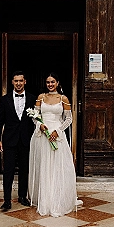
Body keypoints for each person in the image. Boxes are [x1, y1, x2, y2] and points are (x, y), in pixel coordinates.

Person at [28, 72, 77, 217]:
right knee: (44, 166)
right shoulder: (41, 97)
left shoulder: (63, 98)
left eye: (53, 82)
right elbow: (35, 116)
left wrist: (58, 131)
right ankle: (44, 198)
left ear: (57, 83)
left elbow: (69, 119)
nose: (50, 84)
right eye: (48, 82)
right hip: (42, 135)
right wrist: (40, 125)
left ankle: (57, 198)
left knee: (56, 166)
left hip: (57, 135)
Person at [0, 71, 36, 212]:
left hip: (25, 140)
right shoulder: (5, 100)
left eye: (21, 81)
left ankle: (22, 197)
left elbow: (35, 121)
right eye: (16, 81)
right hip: (9, 140)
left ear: (25, 82)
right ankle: (6, 200)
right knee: (8, 171)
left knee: (24, 170)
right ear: (12, 82)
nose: (18, 83)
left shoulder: (31, 98)